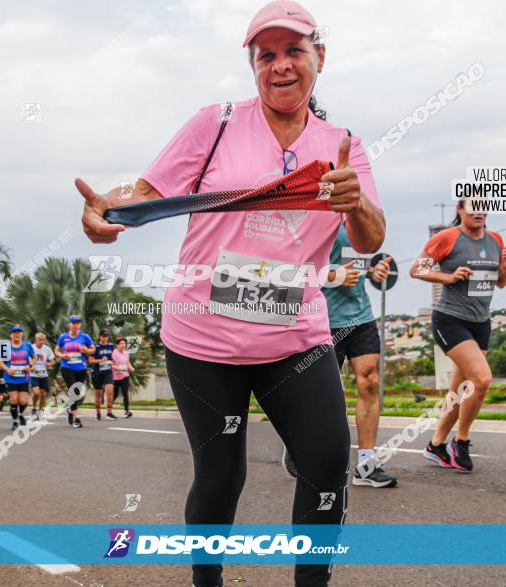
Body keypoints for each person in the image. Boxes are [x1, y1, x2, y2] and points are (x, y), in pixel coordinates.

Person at [76, 2, 385, 584]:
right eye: (266, 55)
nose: (281, 66)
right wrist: (106, 214)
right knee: (221, 477)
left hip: (295, 336)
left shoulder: (342, 144)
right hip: (203, 338)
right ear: (253, 65)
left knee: (326, 463)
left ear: (320, 57)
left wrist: (356, 201)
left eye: (294, 51)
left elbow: (369, 238)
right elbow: (144, 192)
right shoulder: (214, 122)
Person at [282, 229, 396, 487]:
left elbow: (361, 266)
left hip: (361, 317)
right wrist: (333, 276)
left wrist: (374, 273)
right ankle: (297, 443)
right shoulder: (318, 220)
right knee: (322, 395)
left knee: (370, 382)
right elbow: (290, 269)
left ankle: (367, 465)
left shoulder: (361, 221)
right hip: (322, 319)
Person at [410, 200, 506, 473]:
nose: (479, 211)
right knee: (482, 379)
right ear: (460, 210)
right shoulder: (447, 238)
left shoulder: (496, 240)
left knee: (459, 391)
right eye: (473, 207)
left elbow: (500, 282)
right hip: (450, 319)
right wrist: (449, 276)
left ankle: (436, 444)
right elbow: (415, 270)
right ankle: (462, 440)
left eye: (484, 206)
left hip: (481, 322)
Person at [55, 316, 94, 428]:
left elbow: (93, 349)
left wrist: (86, 350)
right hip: (67, 367)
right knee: (73, 388)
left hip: (81, 367)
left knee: (77, 392)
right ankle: (77, 418)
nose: (76, 325)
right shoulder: (63, 337)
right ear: (70, 325)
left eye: (78, 323)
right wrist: (62, 355)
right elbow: (57, 350)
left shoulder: (85, 336)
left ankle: (70, 409)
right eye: (74, 323)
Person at [0, 325, 36, 430]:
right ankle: (15, 420)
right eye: (15, 332)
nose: (17, 334)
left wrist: (30, 366)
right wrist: (7, 369)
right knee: (14, 400)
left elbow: (34, 357)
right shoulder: (6, 347)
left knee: (23, 401)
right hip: (11, 377)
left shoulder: (27, 345)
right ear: (11, 335)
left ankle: (20, 414)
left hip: (24, 377)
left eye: (19, 332)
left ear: (22, 334)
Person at [89, 329, 116, 421]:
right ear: (100, 336)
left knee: (110, 391)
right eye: (103, 336)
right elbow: (91, 360)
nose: (105, 338)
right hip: (97, 372)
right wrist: (101, 360)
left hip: (108, 371)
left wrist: (112, 361)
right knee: (98, 394)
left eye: (106, 336)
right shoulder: (95, 347)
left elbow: (112, 357)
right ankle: (98, 413)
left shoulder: (111, 346)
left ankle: (109, 412)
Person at [30, 332, 56, 420]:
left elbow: (53, 361)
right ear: (35, 340)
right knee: (36, 393)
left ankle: (40, 411)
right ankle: (34, 407)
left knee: (43, 394)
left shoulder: (47, 349)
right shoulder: (31, 348)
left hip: (43, 374)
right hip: (33, 374)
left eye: (43, 340)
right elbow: (26, 360)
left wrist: (49, 364)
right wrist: (30, 367)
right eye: (39, 340)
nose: (41, 342)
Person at [111, 337, 134, 418]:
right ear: (117, 345)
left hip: (125, 376)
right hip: (116, 377)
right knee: (115, 394)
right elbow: (112, 365)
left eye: (124, 343)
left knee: (125, 393)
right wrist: (119, 368)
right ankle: (109, 409)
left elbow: (127, 363)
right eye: (121, 343)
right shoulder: (114, 353)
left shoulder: (126, 353)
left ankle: (127, 411)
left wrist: (131, 368)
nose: (123, 345)